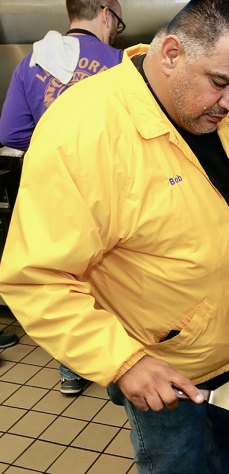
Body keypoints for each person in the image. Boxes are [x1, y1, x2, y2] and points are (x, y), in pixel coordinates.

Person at [0, 0, 229, 472]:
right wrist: (124, 362)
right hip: (161, 360)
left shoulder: (228, 117)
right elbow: (37, 277)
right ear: (171, 53)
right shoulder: (84, 131)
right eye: (221, 83)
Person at [0, 0, 125, 395]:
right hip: (112, 189)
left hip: (56, 193)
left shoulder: (31, 62)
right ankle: (119, 368)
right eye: (117, 22)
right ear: (106, 13)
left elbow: (11, 134)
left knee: (63, 273)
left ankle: (72, 371)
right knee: (115, 274)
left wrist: (54, 149)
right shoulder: (122, 64)